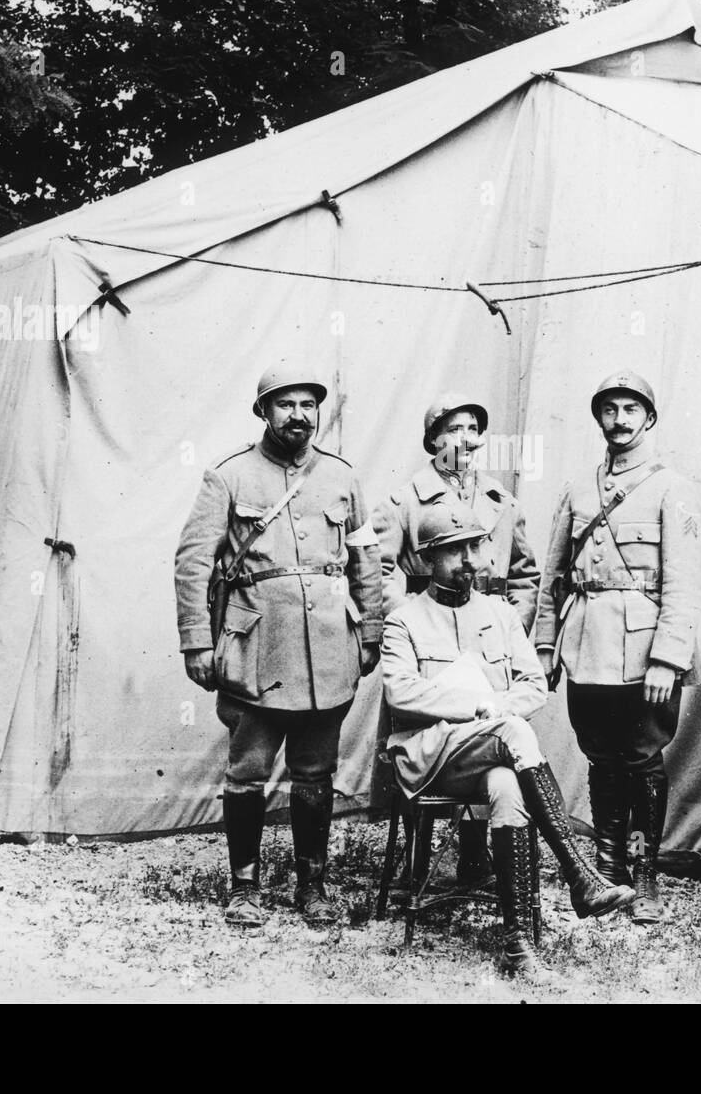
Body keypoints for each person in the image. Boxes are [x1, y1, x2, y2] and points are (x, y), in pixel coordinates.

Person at [382, 500, 634, 979]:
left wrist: (496, 711)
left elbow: (534, 685)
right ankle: (579, 872)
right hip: (430, 754)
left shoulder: (500, 614)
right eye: (454, 551)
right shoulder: (405, 620)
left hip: (493, 751)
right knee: (512, 730)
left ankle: (517, 943)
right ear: (426, 559)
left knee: (508, 786)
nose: (469, 561)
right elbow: (399, 691)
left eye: (474, 547)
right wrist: (476, 706)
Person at [175, 363, 383, 927]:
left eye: (308, 406)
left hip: (328, 653)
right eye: (285, 404)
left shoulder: (342, 477)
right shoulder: (230, 476)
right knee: (248, 771)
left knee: (315, 774)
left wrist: (370, 632)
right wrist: (197, 641)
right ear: (262, 412)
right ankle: (244, 886)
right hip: (257, 649)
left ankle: (311, 885)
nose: (298, 415)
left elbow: (366, 560)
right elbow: (193, 563)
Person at [534, 371, 701, 925]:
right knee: (601, 757)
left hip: (644, 654)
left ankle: (645, 870)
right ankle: (607, 869)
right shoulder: (578, 490)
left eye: (631, 409)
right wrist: (544, 644)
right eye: (609, 409)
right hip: (585, 643)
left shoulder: (671, 488)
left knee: (642, 758)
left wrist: (667, 657)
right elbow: (552, 575)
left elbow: (686, 581)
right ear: (599, 418)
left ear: (649, 419)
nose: (620, 420)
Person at [373, 392, 540, 884]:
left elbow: (526, 575)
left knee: (491, 745)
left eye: (472, 428)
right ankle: (416, 860)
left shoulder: (501, 503)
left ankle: (476, 859)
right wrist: (412, 617)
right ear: (432, 440)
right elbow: (381, 569)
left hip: (486, 636)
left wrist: (508, 624)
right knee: (426, 741)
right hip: (430, 644)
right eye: (451, 429)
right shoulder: (403, 501)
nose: (463, 438)